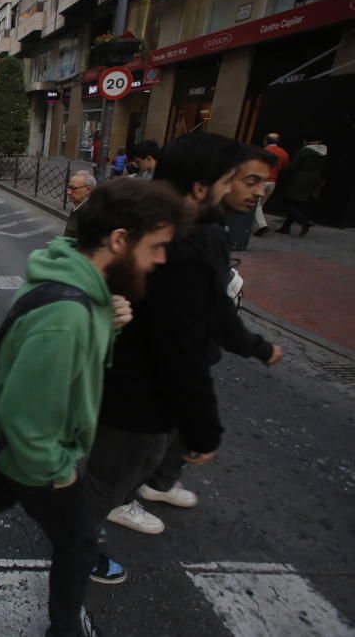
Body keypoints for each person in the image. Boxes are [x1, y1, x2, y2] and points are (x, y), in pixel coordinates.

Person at [0, 178, 186, 637]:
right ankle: (64, 630)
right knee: (80, 541)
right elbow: (30, 414)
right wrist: (59, 471)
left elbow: (66, 364)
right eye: (157, 246)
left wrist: (107, 320)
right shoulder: (68, 315)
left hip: (17, 449)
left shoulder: (68, 283)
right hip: (38, 454)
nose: (162, 259)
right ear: (120, 240)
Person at [86, 135, 282, 568]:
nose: (249, 191)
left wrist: (253, 345)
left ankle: (95, 521)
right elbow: (178, 343)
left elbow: (209, 312)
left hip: (147, 391)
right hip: (133, 388)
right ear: (200, 187)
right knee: (106, 477)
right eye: (238, 179)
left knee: (141, 459)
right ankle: (79, 551)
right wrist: (203, 429)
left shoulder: (201, 233)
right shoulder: (171, 241)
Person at [276, 136, 327, 236]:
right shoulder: (323, 152)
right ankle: (286, 227)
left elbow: (293, 165)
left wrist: (285, 175)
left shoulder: (304, 151)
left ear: (305, 141)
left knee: (287, 201)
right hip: (313, 180)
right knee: (297, 203)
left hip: (299, 179)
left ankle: (304, 222)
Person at [253, 133, 290, 237]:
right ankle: (255, 225)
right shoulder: (284, 153)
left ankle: (262, 225)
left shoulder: (264, 151)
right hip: (273, 182)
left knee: (256, 205)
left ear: (266, 140)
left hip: (262, 180)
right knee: (259, 205)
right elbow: (285, 167)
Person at [64, 171, 96, 239]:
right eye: (68, 188)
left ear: (88, 190)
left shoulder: (91, 214)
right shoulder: (77, 207)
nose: (68, 192)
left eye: (74, 188)